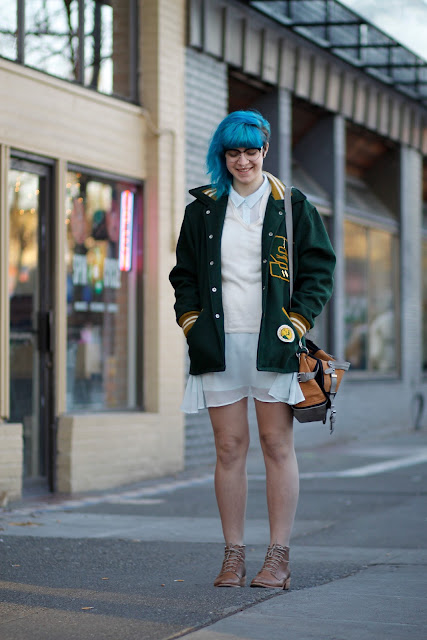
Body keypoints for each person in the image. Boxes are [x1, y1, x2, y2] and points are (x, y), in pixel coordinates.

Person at [169, 110, 335, 589]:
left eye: (251, 151)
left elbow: (319, 268)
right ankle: (233, 556)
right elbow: (183, 275)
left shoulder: (291, 204)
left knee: (276, 444)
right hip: (218, 345)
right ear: (223, 155)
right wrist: (192, 324)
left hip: (273, 344)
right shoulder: (202, 208)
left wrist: (296, 320)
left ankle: (278, 557)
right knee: (228, 447)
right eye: (233, 152)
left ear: (265, 151)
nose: (243, 160)